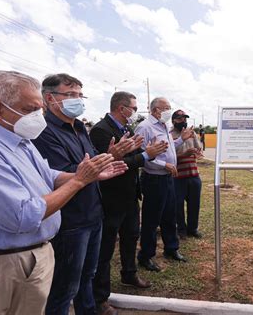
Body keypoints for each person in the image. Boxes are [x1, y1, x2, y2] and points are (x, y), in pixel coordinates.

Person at [0, 70, 126, 315]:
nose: (37, 116)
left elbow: (49, 175)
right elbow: (24, 214)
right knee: (62, 295)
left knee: (80, 282)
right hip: (8, 262)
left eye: (38, 109)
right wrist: (80, 181)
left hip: (40, 250)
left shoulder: (20, 139)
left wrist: (87, 175)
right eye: (30, 109)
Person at [33, 73, 134, 315]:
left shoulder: (79, 128)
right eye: (70, 94)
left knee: (87, 276)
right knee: (65, 287)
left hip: (93, 213)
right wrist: (93, 170)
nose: (77, 99)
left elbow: (90, 165)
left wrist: (110, 156)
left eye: (79, 94)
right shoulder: (44, 132)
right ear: (50, 98)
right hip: (70, 220)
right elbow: (59, 175)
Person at [89, 91, 168, 315]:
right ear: (121, 108)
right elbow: (113, 163)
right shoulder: (101, 130)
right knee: (105, 249)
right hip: (111, 198)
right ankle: (100, 297)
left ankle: (129, 274)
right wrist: (145, 156)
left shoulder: (128, 129)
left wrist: (147, 152)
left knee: (131, 236)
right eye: (133, 108)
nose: (135, 112)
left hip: (130, 196)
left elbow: (133, 155)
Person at [135, 97, 194, 272]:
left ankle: (171, 248)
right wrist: (164, 165)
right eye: (165, 108)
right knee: (151, 220)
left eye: (169, 107)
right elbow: (142, 156)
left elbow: (167, 149)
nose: (168, 111)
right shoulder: (144, 127)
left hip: (168, 178)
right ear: (155, 110)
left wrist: (181, 140)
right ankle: (146, 256)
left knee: (170, 215)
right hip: (154, 179)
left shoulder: (163, 127)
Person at [171, 109, 203, 239]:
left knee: (194, 204)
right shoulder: (169, 135)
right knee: (178, 205)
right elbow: (169, 157)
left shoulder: (192, 133)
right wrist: (184, 154)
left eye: (185, 118)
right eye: (180, 119)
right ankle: (181, 230)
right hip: (178, 177)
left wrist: (197, 149)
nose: (183, 121)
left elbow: (198, 149)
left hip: (194, 174)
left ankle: (192, 229)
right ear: (173, 120)